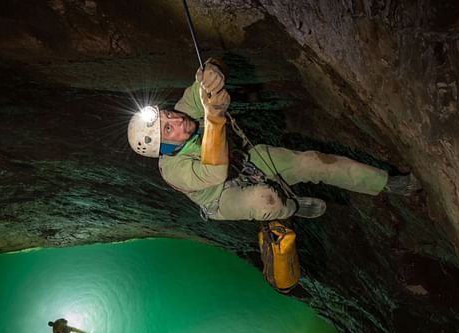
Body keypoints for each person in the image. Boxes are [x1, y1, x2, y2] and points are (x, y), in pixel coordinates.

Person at [127, 58, 421, 221]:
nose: (176, 120)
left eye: (167, 115)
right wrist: (214, 117)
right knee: (265, 199)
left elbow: (202, 84)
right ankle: (293, 208)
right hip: (221, 197)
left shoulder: (182, 114)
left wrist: (212, 72)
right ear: (164, 148)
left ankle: (383, 182)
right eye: (168, 130)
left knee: (312, 162)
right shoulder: (172, 170)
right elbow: (215, 171)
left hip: (244, 161)